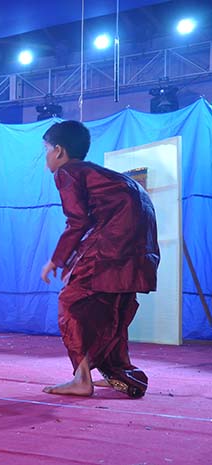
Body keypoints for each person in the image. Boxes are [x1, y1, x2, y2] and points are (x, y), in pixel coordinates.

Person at [40, 120, 159, 398]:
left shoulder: (68, 172)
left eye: (45, 149)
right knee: (113, 309)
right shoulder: (106, 176)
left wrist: (57, 260)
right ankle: (121, 374)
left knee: (72, 302)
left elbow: (77, 220)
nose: (45, 156)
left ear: (59, 151)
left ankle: (82, 378)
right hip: (140, 248)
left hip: (113, 245)